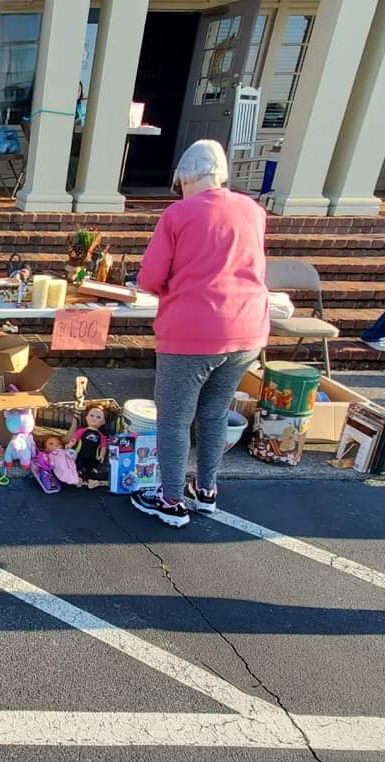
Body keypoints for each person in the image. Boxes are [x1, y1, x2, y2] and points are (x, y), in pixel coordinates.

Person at [131, 139, 269, 528]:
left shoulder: (179, 214)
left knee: (174, 419)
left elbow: (151, 278)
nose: (180, 190)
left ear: (187, 177)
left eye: (180, 184)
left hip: (193, 330)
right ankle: (205, 490)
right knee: (213, 414)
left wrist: (165, 286)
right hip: (248, 330)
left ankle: (171, 499)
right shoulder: (253, 211)